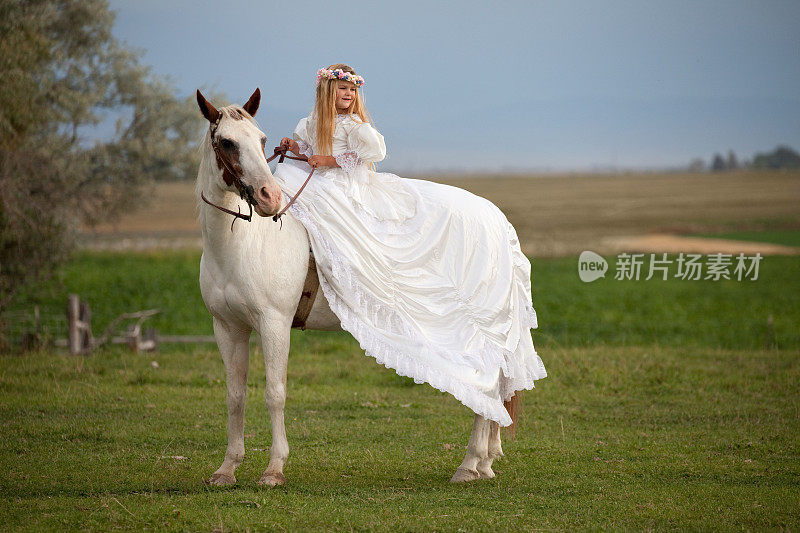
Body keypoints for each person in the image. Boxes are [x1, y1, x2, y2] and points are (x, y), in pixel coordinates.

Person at [274, 64, 546, 426]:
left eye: (353, 91)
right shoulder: (310, 123)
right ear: (326, 93)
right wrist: (296, 148)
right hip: (321, 181)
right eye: (342, 91)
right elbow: (308, 150)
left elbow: (369, 156)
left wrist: (331, 161)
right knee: (284, 184)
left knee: (354, 224)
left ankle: (356, 273)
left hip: (347, 186)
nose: (349, 96)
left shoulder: (358, 127)